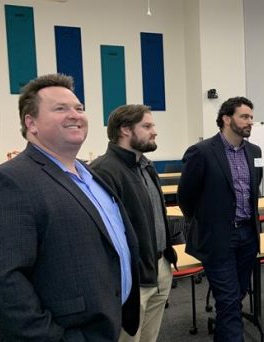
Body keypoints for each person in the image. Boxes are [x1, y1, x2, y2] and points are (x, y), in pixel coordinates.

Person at [0, 74, 140, 340]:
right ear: (31, 123)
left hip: (112, 323)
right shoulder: (12, 180)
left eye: (79, 108)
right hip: (71, 332)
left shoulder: (91, 174)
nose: (75, 115)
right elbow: (6, 282)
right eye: (60, 108)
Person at [177, 96, 263, 342]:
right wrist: (205, 222)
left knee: (236, 296)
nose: (250, 122)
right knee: (227, 300)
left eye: (251, 118)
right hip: (218, 237)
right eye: (244, 117)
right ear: (226, 119)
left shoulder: (254, 151)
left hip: (247, 235)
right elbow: (186, 196)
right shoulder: (202, 152)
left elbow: (253, 189)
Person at [90, 104, 178, 342]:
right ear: (125, 130)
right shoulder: (103, 170)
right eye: (147, 126)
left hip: (159, 267)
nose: (154, 131)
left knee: (149, 338)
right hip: (131, 276)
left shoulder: (146, 165)